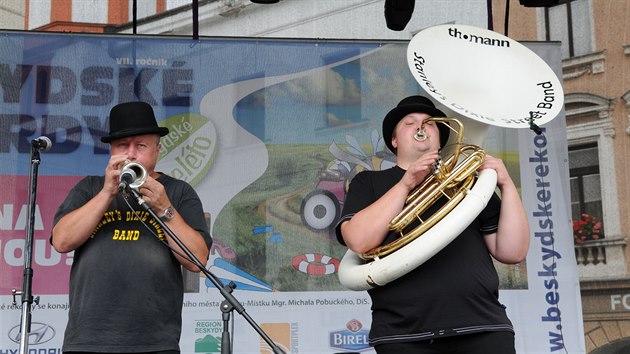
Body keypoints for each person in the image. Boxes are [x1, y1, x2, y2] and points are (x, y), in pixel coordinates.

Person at [335, 95, 530, 354]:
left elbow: (513, 251)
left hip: (483, 326)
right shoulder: (368, 182)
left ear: (440, 137)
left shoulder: (467, 181)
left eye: (430, 123)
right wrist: (407, 183)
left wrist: (505, 184)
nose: (420, 126)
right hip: (403, 335)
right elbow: (358, 240)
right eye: (409, 123)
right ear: (394, 141)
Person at [51, 101, 212, 354]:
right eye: (122, 146)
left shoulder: (178, 192)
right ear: (111, 151)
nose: (131, 154)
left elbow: (197, 260)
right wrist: (107, 192)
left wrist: (165, 208)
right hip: (89, 340)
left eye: (141, 146)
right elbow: (61, 241)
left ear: (157, 150)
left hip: (154, 342)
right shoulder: (90, 188)